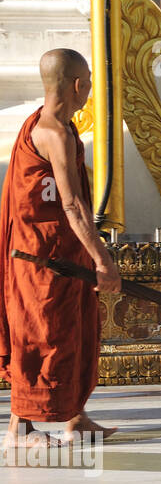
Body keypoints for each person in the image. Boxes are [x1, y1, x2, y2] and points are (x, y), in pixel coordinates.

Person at [1, 49, 122, 454]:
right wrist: (103, 257)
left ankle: (75, 418)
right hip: (42, 258)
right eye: (86, 82)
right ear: (77, 85)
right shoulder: (54, 133)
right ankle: (20, 427)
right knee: (42, 337)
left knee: (76, 334)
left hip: (64, 256)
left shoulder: (43, 123)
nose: (88, 90)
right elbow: (72, 205)